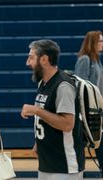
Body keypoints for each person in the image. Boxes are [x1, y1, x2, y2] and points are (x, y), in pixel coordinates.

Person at [21, 39, 85, 180]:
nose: (28, 63)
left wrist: (36, 110)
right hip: (47, 163)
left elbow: (67, 124)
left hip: (64, 166)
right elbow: (48, 115)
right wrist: (39, 142)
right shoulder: (43, 83)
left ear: (44, 59)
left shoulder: (63, 86)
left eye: (31, 57)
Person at [74, 30, 103, 176]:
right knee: (86, 144)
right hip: (88, 111)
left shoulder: (97, 59)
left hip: (98, 108)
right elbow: (80, 86)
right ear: (93, 43)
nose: (102, 44)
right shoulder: (85, 60)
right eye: (100, 41)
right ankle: (79, 173)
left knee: (99, 142)